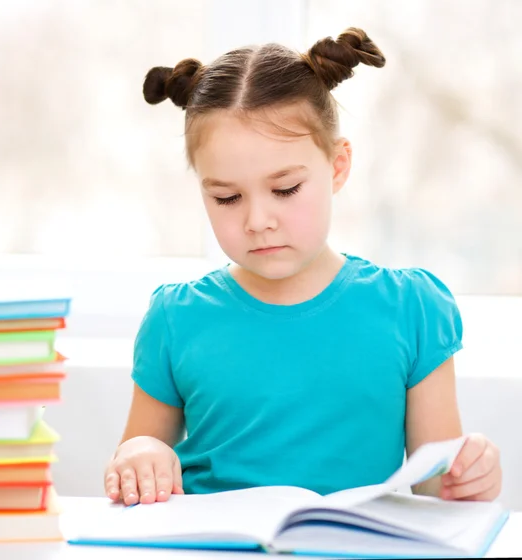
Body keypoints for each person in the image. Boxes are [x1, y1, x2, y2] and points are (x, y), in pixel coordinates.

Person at [104, 27, 502, 507]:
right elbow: (134, 468)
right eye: (226, 197)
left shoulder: (412, 309)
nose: (257, 221)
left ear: (337, 166)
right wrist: (139, 454)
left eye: (286, 189)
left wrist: (467, 477)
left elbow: (437, 486)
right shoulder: (175, 317)